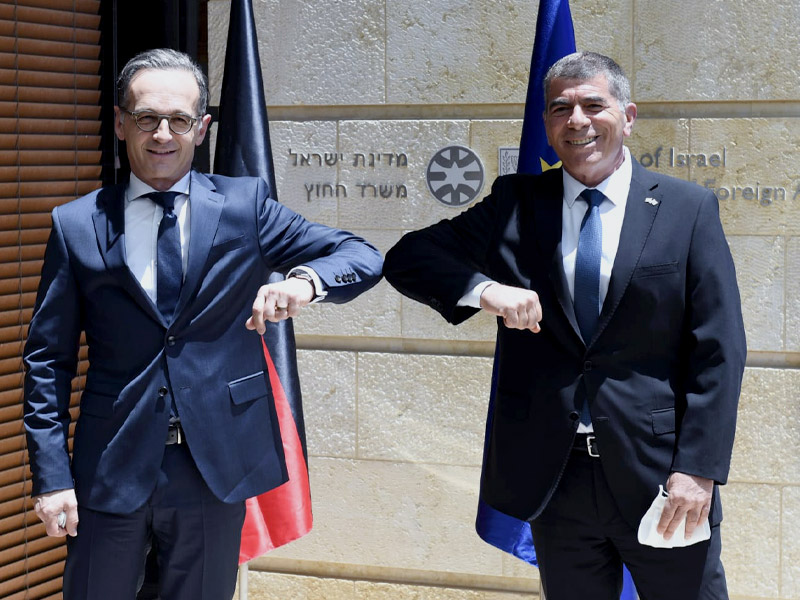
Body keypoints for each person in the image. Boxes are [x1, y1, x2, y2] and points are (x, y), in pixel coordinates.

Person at [23, 48, 383, 600]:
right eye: (146, 118)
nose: (162, 134)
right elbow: (47, 362)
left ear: (202, 127)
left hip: (215, 466)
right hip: (110, 467)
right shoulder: (76, 225)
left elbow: (359, 255)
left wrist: (303, 283)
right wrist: (51, 479)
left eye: (179, 120)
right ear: (121, 123)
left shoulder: (245, 206)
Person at [383, 51, 746, 599]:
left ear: (627, 116)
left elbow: (719, 349)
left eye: (592, 105)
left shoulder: (686, 208)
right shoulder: (517, 204)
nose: (577, 120)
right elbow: (408, 257)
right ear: (548, 124)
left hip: (660, 478)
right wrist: (487, 290)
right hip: (558, 479)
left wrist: (698, 471)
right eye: (560, 108)